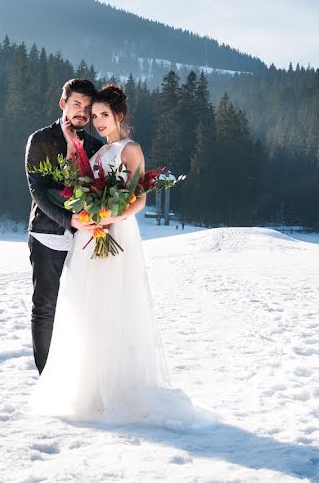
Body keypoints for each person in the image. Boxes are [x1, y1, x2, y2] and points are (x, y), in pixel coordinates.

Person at [29, 84, 209, 429]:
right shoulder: (95, 151)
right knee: (87, 305)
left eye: (103, 115)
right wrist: (90, 212)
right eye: (93, 115)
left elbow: (139, 198)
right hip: (91, 234)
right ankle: (90, 384)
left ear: (119, 116)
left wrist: (108, 218)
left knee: (116, 303)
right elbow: (74, 181)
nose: (96, 121)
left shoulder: (129, 149)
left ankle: (118, 385)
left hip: (114, 231)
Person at [25, 78, 103, 375]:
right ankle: (47, 377)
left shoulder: (96, 146)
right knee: (45, 307)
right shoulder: (41, 139)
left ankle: (79, 377)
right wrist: (69, 221)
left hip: (87, 238)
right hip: (47, 233)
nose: (82, 112)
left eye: (87, 107)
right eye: (76, 104)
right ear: (63, 104)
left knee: (84, 306)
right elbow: (39, 191)